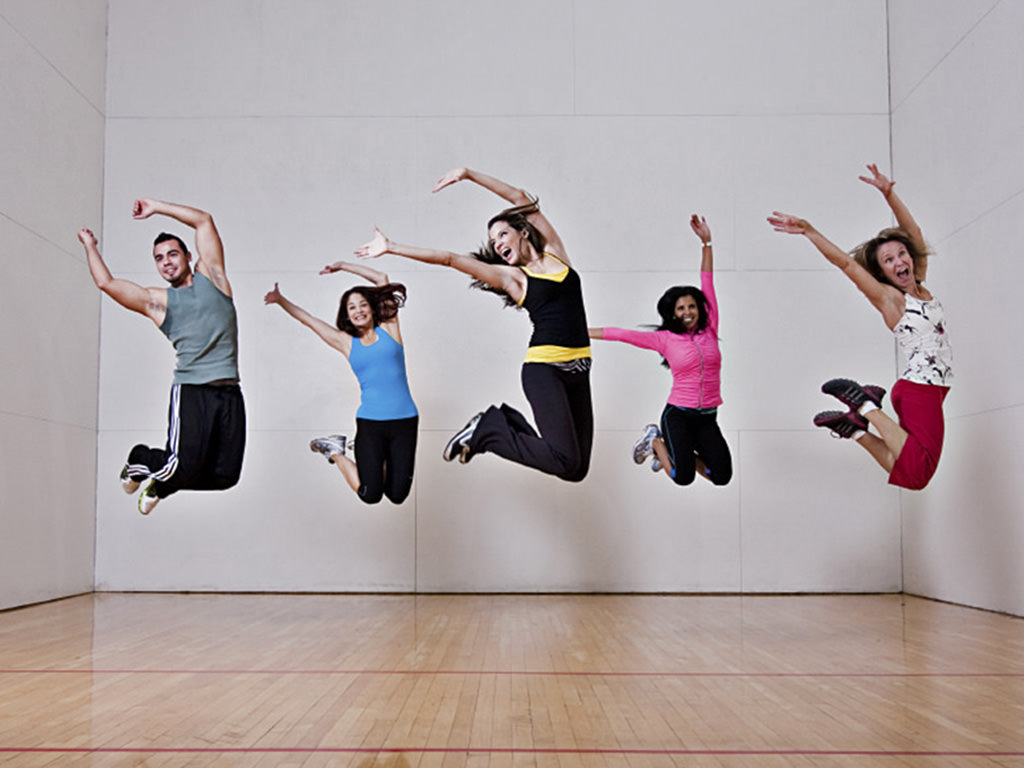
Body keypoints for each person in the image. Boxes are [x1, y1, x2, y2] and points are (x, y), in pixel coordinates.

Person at [355, 167, 592, 482]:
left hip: (580, 369)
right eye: (493, 241)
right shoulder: (514, 278)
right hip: (545, 369)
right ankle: (488, 429)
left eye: (502, 234)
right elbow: (450, 259)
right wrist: (392, 247)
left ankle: (503, 421)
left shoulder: (556, 254)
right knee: (565, 461)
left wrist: (469, 174)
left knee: (576, 469)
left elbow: (519, 197)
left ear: (523, 231)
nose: (497, 244)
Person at [768, 164, 953, 490]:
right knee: (920, 471)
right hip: (921, 389)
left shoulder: (919, 283)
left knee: (908, 469)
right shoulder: (892, 300)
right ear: (882, 272)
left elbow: (914, 231)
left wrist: (889, 194)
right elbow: (846, 264)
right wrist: (810, 231)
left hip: (929, 389)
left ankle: (855, 429)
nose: (899, 262)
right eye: (889, 260)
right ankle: (865, 405)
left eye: (902, 254)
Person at [77, 199, 245, 515]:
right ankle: (139, 459)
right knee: (180, 466)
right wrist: (90, 245)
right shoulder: (158, 302)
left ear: (188, 256)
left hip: (229, 391)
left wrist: (155, 206)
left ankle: (159, 484)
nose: (166, 262)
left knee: (226, 476)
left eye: (172, 254)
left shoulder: (213, 277)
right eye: (159, 258)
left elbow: (204, 220)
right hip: (193, 390)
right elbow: (106, 283)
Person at [589, 214, 732, 486]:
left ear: (699, 309)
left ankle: (676, 453)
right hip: (678, 415)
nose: (688, 312)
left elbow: (707, 281)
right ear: (673, 313)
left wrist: (707, 243)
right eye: (681, 308)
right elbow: (621, 334)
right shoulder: (664, 339)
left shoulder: (710, 328)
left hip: (707, 417)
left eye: (692, 306)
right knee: (682, 477)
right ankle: (655, 441)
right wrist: (578, 331)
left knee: (722, 476)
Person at [263, 262, 418, 505]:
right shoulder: (346, 342)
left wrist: (344, 266)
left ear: (372, 307)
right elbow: (309, 320)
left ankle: (369, 457)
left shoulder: (389, 327)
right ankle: (335, 451)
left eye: (362, 304)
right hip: (371, 423)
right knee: (370, 494)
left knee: (397, 495)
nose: (358, 310)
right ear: (346, 314)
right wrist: (281, 300)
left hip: (405, 421)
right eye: (351, 307)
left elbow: (381, 277)